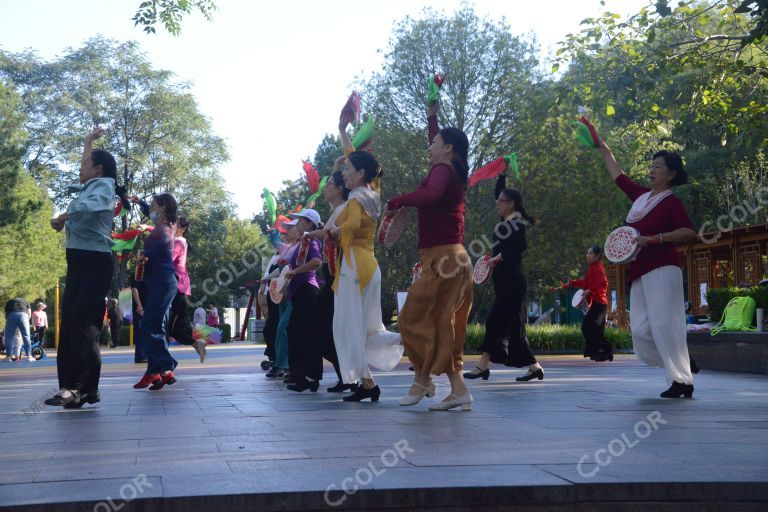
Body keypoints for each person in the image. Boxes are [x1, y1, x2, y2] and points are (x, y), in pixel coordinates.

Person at [386, 99, 474, 411]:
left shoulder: (442, 171)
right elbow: (436, 157)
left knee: (411, 316)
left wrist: (399, 200)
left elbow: (431, 194)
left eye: (435, 143)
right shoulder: (450, 169)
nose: (430, 146)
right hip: (452, 258)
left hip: (444, 260)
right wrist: (432, 119)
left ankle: (423, 378)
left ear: (448, 148)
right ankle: (457, 389)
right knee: (441, 323)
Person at [599, 141, 697, 398]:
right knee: (641, 332)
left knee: (665, 325)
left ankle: (682, 380)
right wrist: (603, 148)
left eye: (658, 167)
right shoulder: (641, 198)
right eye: (651, 166)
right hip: (639, 270)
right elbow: (618, 176)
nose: (652, 170)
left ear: (671, 174)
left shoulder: (671, 203)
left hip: (664, 267)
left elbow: (689, 232)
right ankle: (680, 366)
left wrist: (656, 239)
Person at [45, 127, 124, 408]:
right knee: (75, 325)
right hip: (79, 261)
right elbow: (84, 208)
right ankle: (86, 388)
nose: (80, 169)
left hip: (94, 262)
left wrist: (63, 216)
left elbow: (89, 209)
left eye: (85, 165)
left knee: (82, 324)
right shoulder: (92, 186)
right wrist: (88, 141)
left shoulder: (103, 187)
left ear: (99, 169)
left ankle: (75, 387)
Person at [330, 151, 403, 402]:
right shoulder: (373, 193)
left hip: (354, 268)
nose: (344, 172)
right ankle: (368, 381)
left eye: (348, 168)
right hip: (369, 266)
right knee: (368, 328)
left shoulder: (355, 197)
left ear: (361, 173)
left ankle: (368, 380)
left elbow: (350, 226)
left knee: (348, 327)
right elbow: (360, 158)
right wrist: (343, 136)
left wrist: (331, 233)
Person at [464, 173, 543, 382]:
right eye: (498, 200)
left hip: (513, 282)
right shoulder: (505, 220)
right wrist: (502, 173)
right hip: (503, 281)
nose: (497, 203)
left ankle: (483, 366)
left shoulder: (516, 223)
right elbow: (497, 193)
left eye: (501, 201)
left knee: (494, 320)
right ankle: (534, 367)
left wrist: (499, 257)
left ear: (511, 204)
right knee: (515, 328)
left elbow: (520, 246)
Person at [305, 161, 353, 392]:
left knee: (319, 324)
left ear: (340, 189)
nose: (326, 187)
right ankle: (347, 376)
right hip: (333, 274)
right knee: (326, 328)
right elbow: (326, 233)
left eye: (330, 184)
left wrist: (312, 234)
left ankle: (317, 376)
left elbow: (332, 235)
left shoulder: (345, 209)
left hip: (340, 274)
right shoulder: (337, 211)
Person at [132, 193, 181, 391]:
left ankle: (164, 367)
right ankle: (159, 373)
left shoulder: (164, 229)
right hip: (160, 282)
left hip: (163, 282)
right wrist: (140, 203)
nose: (150, 210)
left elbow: (161, 244)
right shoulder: (167, 223)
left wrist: (145, 255)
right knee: (154, 327)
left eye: (153, 206)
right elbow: (149, 214)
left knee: (149, 327)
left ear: (161, 208)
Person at [283, 209, 323, 392]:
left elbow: (316, 262)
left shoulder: (310, 241)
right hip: (299, 292)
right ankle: (298, 373)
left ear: (309, 224)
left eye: (300, 221)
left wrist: (296, 272)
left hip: (307, 290)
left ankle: (308, 376)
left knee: (304, 335)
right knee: (294, 332)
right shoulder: (301, 243)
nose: (296, 224)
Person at [562, 245, 612, 362]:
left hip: (599, 303)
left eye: (590, 253)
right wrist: (573, 283)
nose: (587, 255)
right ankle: (601, 354)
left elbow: (603, 283)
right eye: (587, 253)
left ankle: (606, 349)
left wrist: (591, 290)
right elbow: (586, 283)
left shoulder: (598, 268)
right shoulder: (592, 268)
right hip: (597, 303)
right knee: (596, 329)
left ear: (597, 256)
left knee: (587, 327)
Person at [168, 216, 207, 363]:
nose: (172, 226)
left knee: (169, 325)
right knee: (177, 325)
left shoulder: (178, 242)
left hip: (178, 287)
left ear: (182, 229)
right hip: (182, 287)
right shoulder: (179, 241)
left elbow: (168, 259)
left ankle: (164, 362)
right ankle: (197, 344)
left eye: (175, 225)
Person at [265, 222, 300, 379]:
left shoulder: (301, 247)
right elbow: (281, 270)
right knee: (281, 328)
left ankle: (285, 365)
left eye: (290, 227)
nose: (286, 230)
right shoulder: (287, 248)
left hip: (295, 293)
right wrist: (273, 232)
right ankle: (282, 364)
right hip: (283, 293)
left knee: (283, 328)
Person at [4, 298, 32, 362]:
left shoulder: (9, 302)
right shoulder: (26, 301)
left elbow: (6, 315)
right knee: (26, 336)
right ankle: (29, 357)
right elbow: (29, 314)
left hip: (11, 315)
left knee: (9, 337)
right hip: (23, 315)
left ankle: (8, 357)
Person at [131, 271, 148, 363]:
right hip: (140, 308)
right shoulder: (138, 272)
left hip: (149, 306)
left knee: (148, 331)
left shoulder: (151, 272)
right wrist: (139, 305)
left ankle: (147, 354)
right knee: (141, 331)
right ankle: (140, 356)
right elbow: (134, 289)